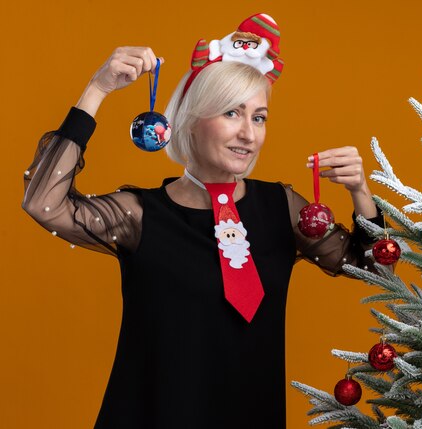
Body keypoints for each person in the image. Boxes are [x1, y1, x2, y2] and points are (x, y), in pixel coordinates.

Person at [22, 13, 381, 429]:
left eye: (259, 117)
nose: (249, 133)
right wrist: (97, 90)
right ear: (191, 120)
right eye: (231, 113)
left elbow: (374, 267)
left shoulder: (279, 207)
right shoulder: (139, 214)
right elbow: (44, 202)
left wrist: (360, 192)